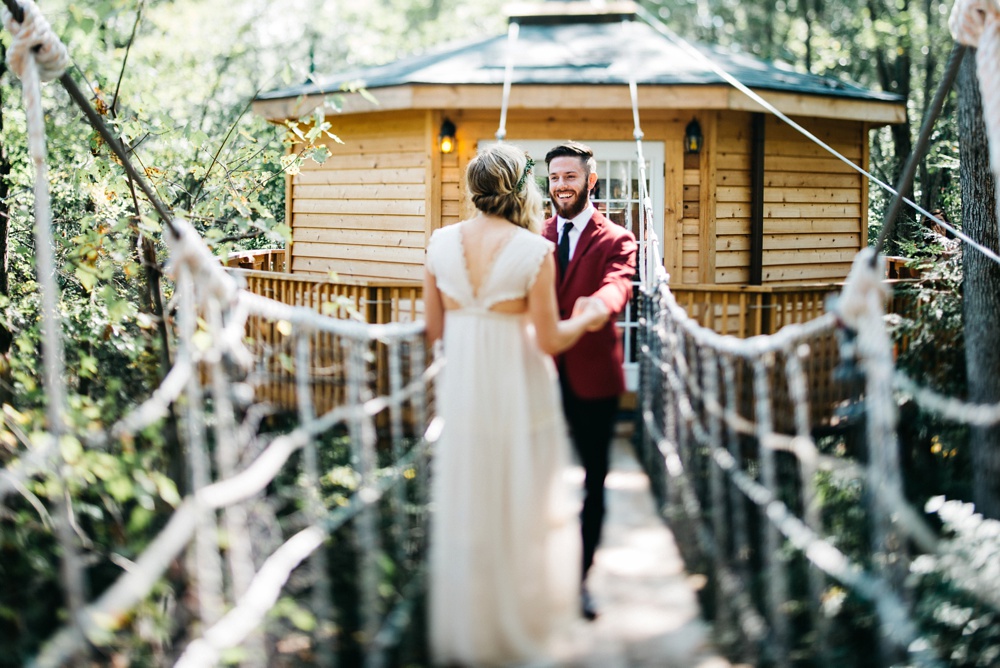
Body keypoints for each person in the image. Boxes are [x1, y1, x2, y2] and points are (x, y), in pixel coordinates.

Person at [423, 142, 609, 665]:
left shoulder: (439, 243)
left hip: (464, 388)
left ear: (473, 188)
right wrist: (588, 320)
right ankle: (520, 618)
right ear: (519, 185)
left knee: (470, 497)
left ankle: (471, 623)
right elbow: (550, 340)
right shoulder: (535, 251)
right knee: (521, 498)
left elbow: (433, 329)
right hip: (519, 387)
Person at [542, 141, 638, 620]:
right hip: (538, 372)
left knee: (593, 479)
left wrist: (598, 307)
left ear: (589, 180)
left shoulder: (617, 237)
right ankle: (539, 573)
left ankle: (580, 579)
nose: (562, 185)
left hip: (593, 375)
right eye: (555, 177)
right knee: (536, 475)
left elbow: (619, 282)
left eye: (570, 177)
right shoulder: (534, 235)